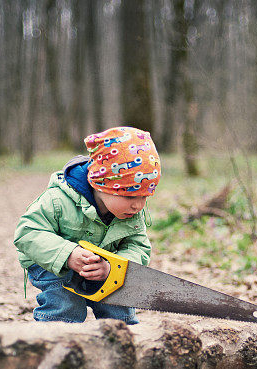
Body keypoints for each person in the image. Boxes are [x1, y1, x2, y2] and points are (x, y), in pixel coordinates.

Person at [14, 126, 161, 323]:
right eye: (130, 196)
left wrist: (113, 269)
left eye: (145, 196)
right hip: (53, 264)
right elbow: (27, 233)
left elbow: (138, 246)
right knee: (66, 303)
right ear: (101, 184)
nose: (139, 205)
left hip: (102, 268)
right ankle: (58, 341)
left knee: (119, 309)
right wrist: (67, 255)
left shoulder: (132, 212)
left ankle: (120, 345)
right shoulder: (58, 200)